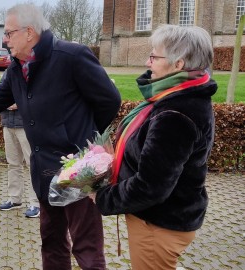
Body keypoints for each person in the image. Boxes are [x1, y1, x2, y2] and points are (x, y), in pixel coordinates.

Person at [0, 4, 121, 269]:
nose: (4, 40)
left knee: (87, 249)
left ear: (29, 33)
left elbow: (110, 100)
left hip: (79, 170)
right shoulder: (17, 68)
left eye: (8, 33)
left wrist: (84, 138)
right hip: (43, 171)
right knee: (51, 244)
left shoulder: (72, 56)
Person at [90, 25, 216, 269]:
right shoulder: (179, 97)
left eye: (154, 56)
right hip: (165, 218)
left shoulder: (174, 113)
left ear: (178, 64)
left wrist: (103, 197)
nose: (148, 62)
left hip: (159, 225)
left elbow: (151, 186)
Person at [0, 73, 40, 218]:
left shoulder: (31, 72)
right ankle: (15, 199)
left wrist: (19, 103)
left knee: (32, 165)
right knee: (13, 164)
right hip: (8, 124)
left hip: (26, 126)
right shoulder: (7, 73)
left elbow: (37, 96)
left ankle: (36, 203)